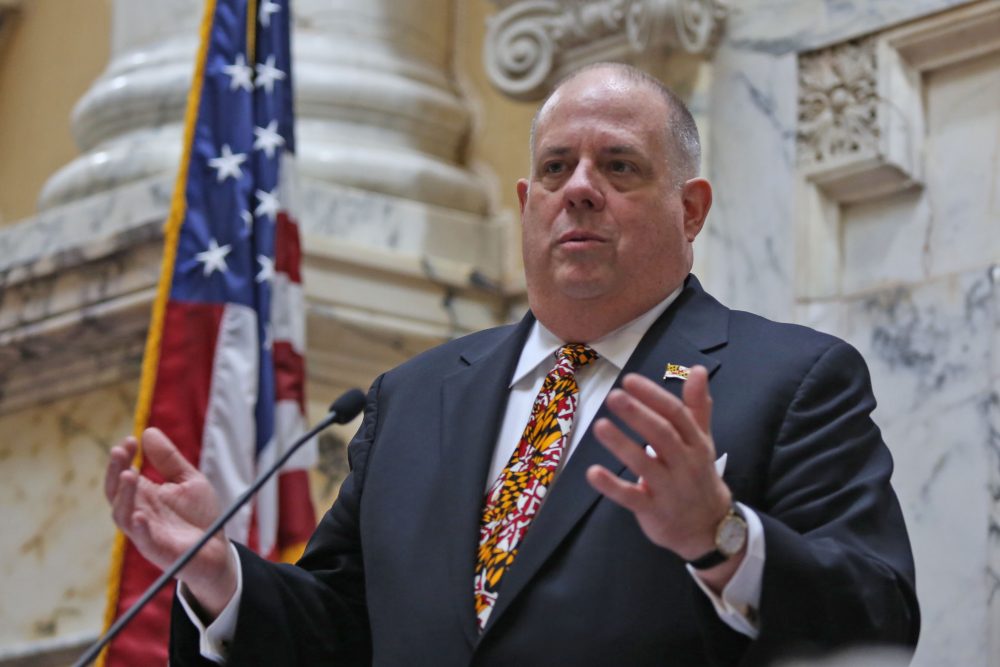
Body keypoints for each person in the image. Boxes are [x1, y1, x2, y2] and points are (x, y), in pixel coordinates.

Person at [105, 62, 920, 666]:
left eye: (621, 166)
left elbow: (878, 616)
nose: (581, 189)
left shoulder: (793, 379)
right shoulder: (412, 398)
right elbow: (344, 629)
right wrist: (222, 575)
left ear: (691, 208)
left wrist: (723, 539)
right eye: (558, 168)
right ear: (529, 205)